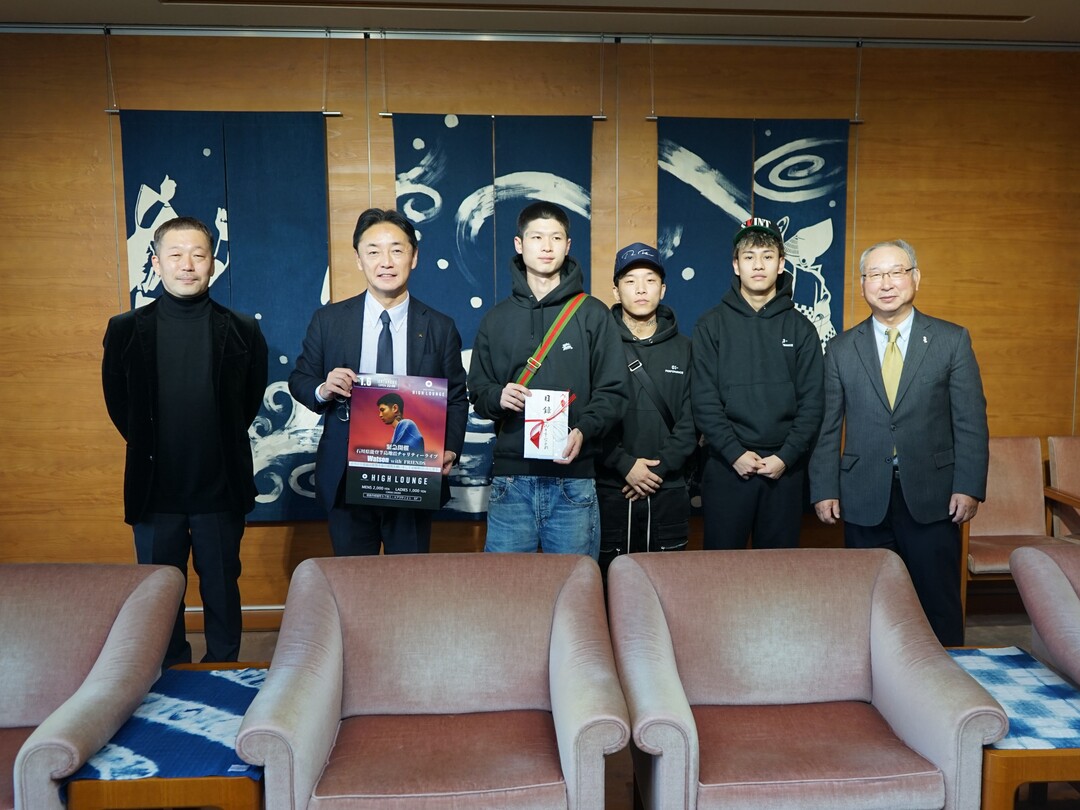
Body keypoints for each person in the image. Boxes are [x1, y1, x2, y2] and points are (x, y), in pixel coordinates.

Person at [102, 215, 268, 667]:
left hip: (220, 487)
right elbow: (119, 404)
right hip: (155, 490)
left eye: (198, 254)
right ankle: (172, 669)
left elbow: (247, 403)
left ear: (213, 262)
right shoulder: (124, 329)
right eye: (175, 255)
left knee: (222, 586)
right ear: (156, 263)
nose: (187, 265)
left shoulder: (242, 329)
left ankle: (224, 668)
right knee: (159, 592)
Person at [809, 238, 987, 646]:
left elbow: (971, 422)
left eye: (895, 272)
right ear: (862, 284)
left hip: (934, 495)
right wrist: (824, 488)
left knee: (937, 602)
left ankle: (944, 677)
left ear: (915, 278)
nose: (886, 283)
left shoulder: (951, 340)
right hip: (862, 496)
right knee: (869, 602)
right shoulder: (840, 348)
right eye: (875, 274)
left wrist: (968, 485)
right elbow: (827, 426)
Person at [289, 207, 468, 556]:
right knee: (353, 580)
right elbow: (300, 379)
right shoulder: (329, 320)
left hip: (412, 475)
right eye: (373, 251)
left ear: (414, 257)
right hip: (347, 475)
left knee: (410, 579)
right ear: (359, 259)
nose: (386, 262)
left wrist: (450, 448)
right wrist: (324, 388)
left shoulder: (440, 326)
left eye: (397, 250)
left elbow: (457, 397)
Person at [468, 201, 627, 557]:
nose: (546, 246)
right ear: (519, 244)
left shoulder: (593, 314)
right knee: (507, 585)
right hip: (511, 479)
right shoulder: (496, 319)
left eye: (556, 238)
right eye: (537, 237)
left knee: (577, 583)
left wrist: (584, 430)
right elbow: (478, 390)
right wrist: (497, 396)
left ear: (568, 246)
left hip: (574, 477)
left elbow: (614, 391)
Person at [691, 217, 824, 550]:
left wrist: (785, 457)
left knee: (777, 572)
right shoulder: (711, 325)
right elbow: (703, 399)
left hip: (784, 470)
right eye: (749, 257)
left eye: (767, 256)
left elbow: (813, 403)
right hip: (727, 467)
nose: (758, 265)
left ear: (781, 264)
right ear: (736, 265)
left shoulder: (802, 329)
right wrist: (734, 453)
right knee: (721, 570)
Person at [597, 242, 698, 576]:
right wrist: (624, 464)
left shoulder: (686, 349)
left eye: (650, 280)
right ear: (616, 290)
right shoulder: (598, 345)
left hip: (668, 489)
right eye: (630, 281)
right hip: (611, 488)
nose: (641, 289)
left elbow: (692, 419)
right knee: (608, 585)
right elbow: (587, 414)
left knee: (666, 586)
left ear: (663, 289)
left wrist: (658, 469)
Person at [376, 392, 425, 457]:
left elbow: (397, 457)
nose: (380, 415)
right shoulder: (400, 430)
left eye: (382, 410)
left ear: (395, 408)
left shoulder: (406, 424)